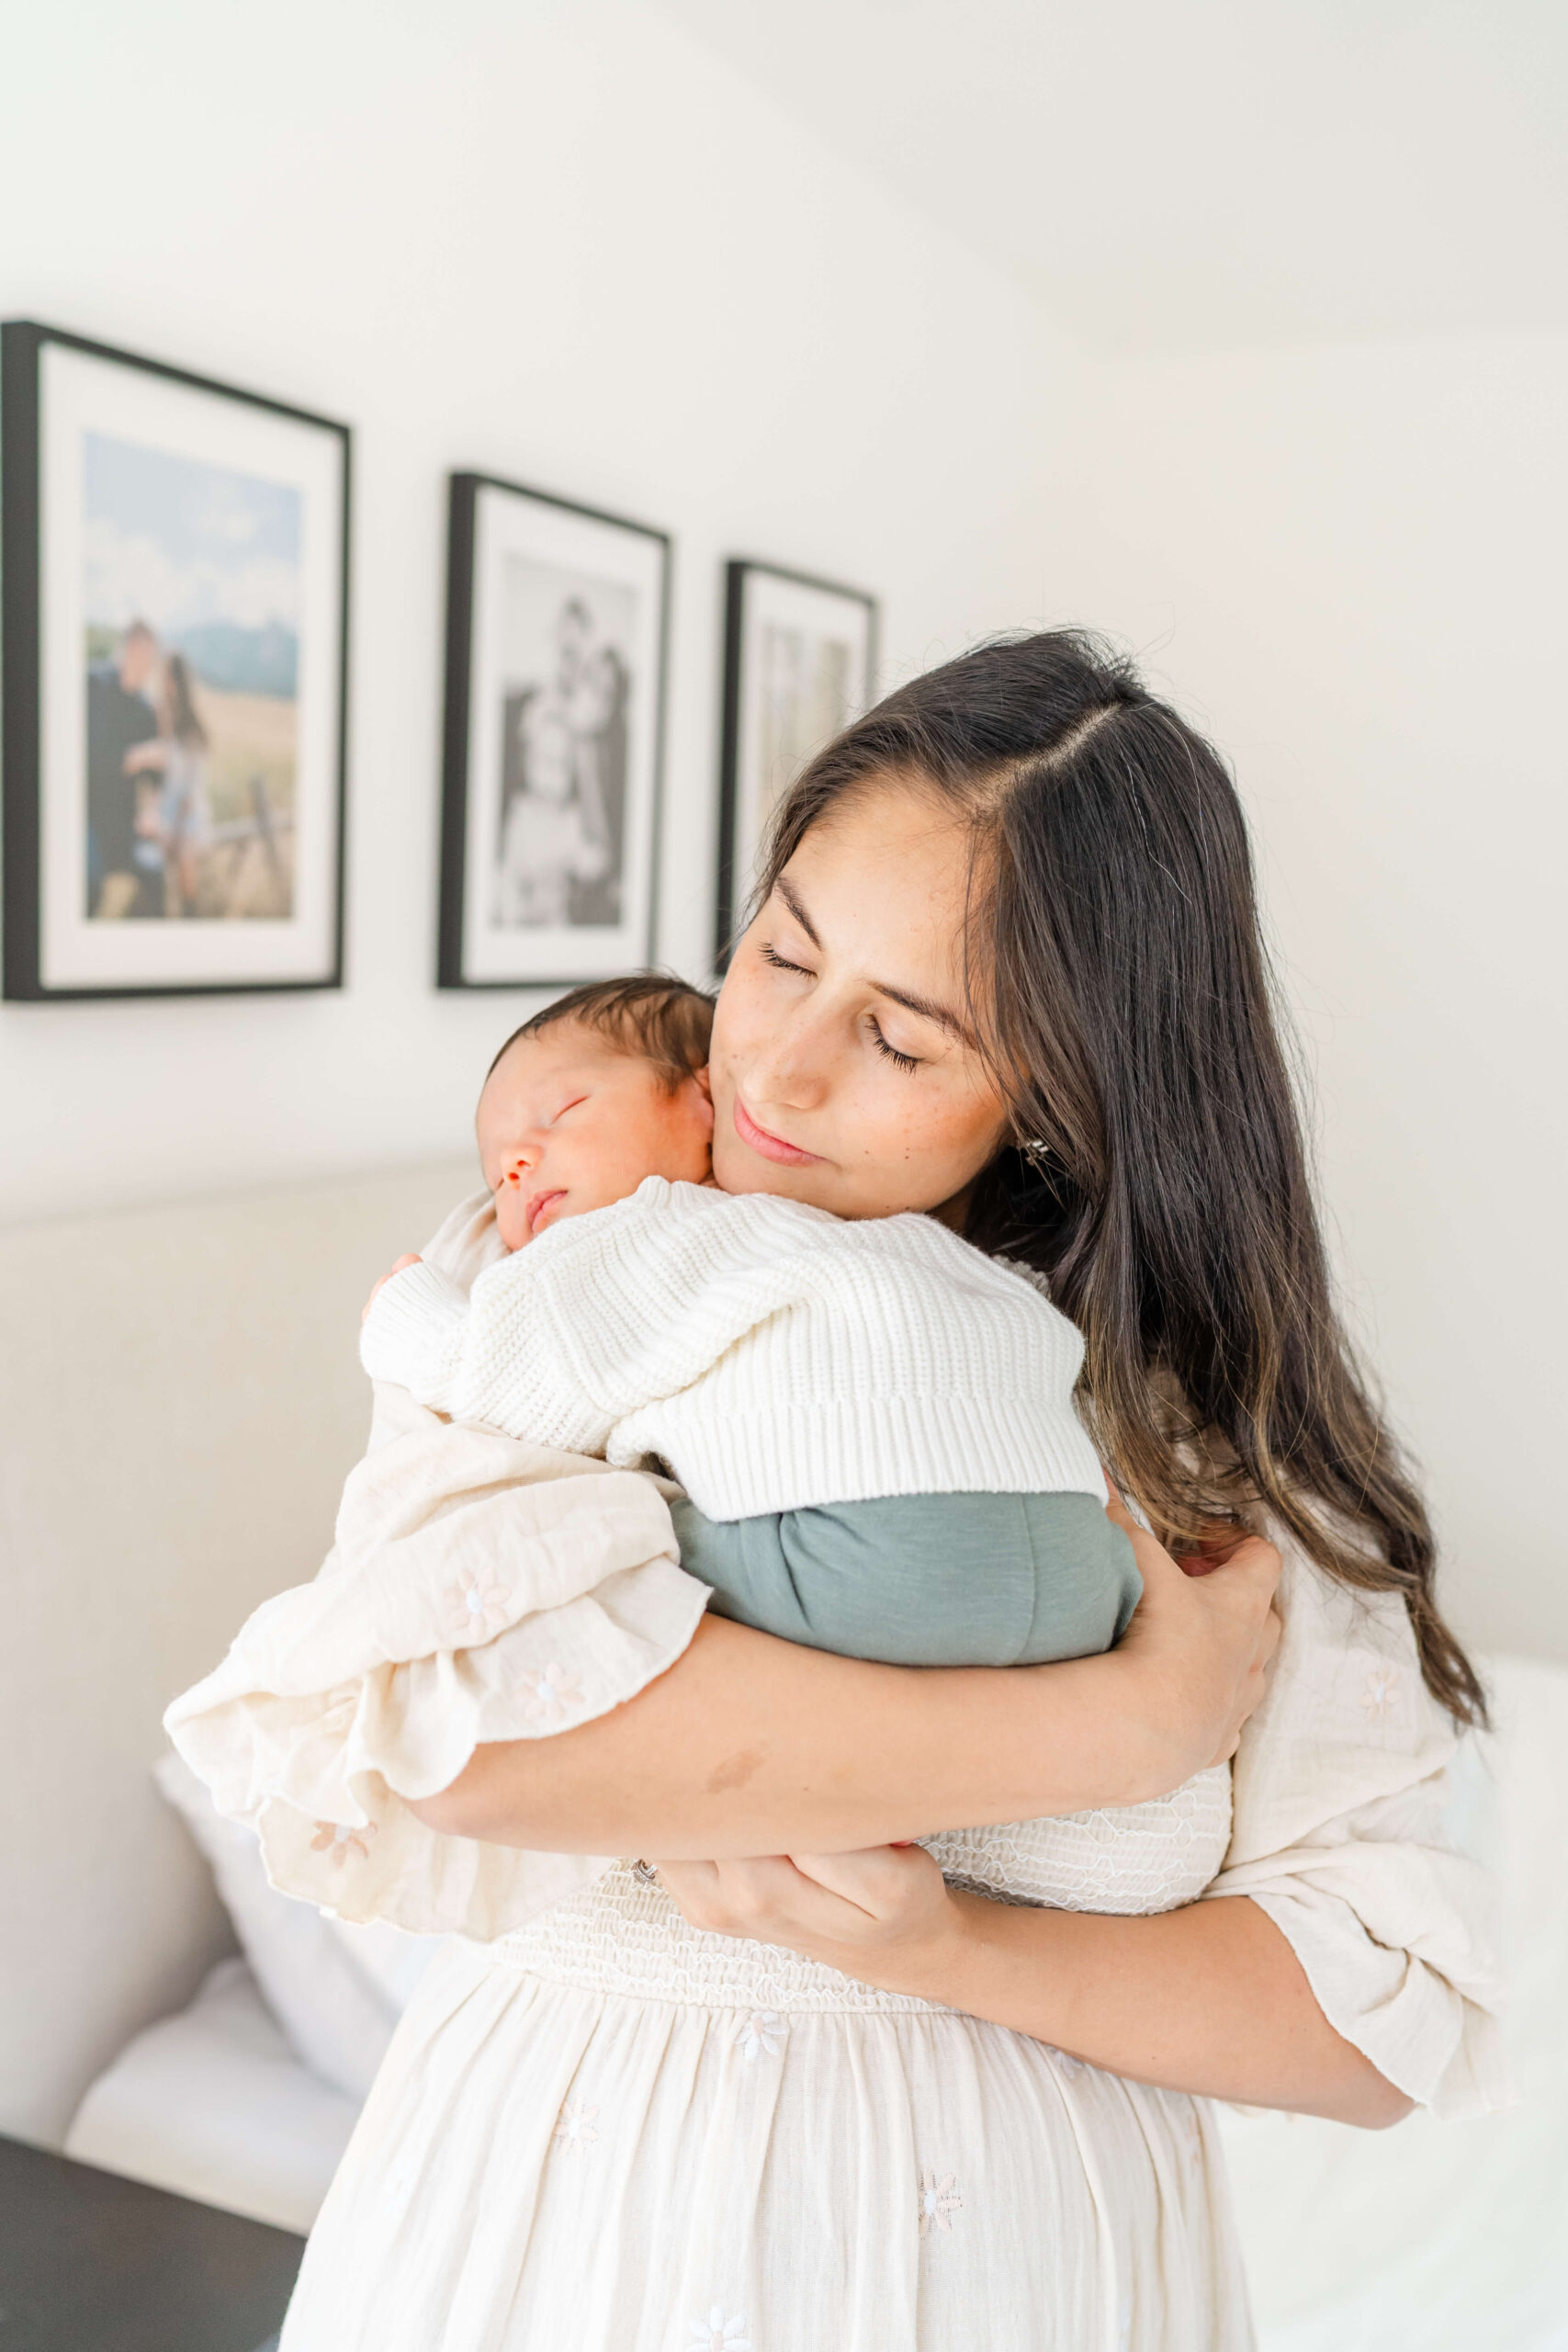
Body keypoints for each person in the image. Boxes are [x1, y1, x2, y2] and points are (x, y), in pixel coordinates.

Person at [250, 636, 1510, 2346]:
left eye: (900, 1043)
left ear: (1063, 1101)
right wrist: (1133, 1725)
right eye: (779, 952)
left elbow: (1377, 2025)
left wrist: (951, 1948)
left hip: (1024, 2272)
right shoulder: (577, 1262)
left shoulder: (1180, 1428)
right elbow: (476, 1739)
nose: (769, 1075)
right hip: (570, 2238)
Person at [121, 650, 211, 919]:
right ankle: (149, 912)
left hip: (189, 811)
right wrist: (153, 811)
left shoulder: (192, 728)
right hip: (168, 808)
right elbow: (162, 779)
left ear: (180, 682)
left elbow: (190, 789)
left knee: (183, 856)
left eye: (170, 677)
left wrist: (175, 828)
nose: (166, 683)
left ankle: (189, 916)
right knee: (147, 855)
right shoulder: (162, 713)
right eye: (164, 677)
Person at [85, 619, 159, 918]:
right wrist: (137, 757)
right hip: (86, 819)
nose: (145, 662)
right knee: (89, 886)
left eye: (149, 656)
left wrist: (152, 811)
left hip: (125, 827)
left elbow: (156, 778)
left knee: (155, 874)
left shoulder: (146, 709)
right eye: (139, 652)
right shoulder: (93, 685)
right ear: (126, 648)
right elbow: (92, 756)